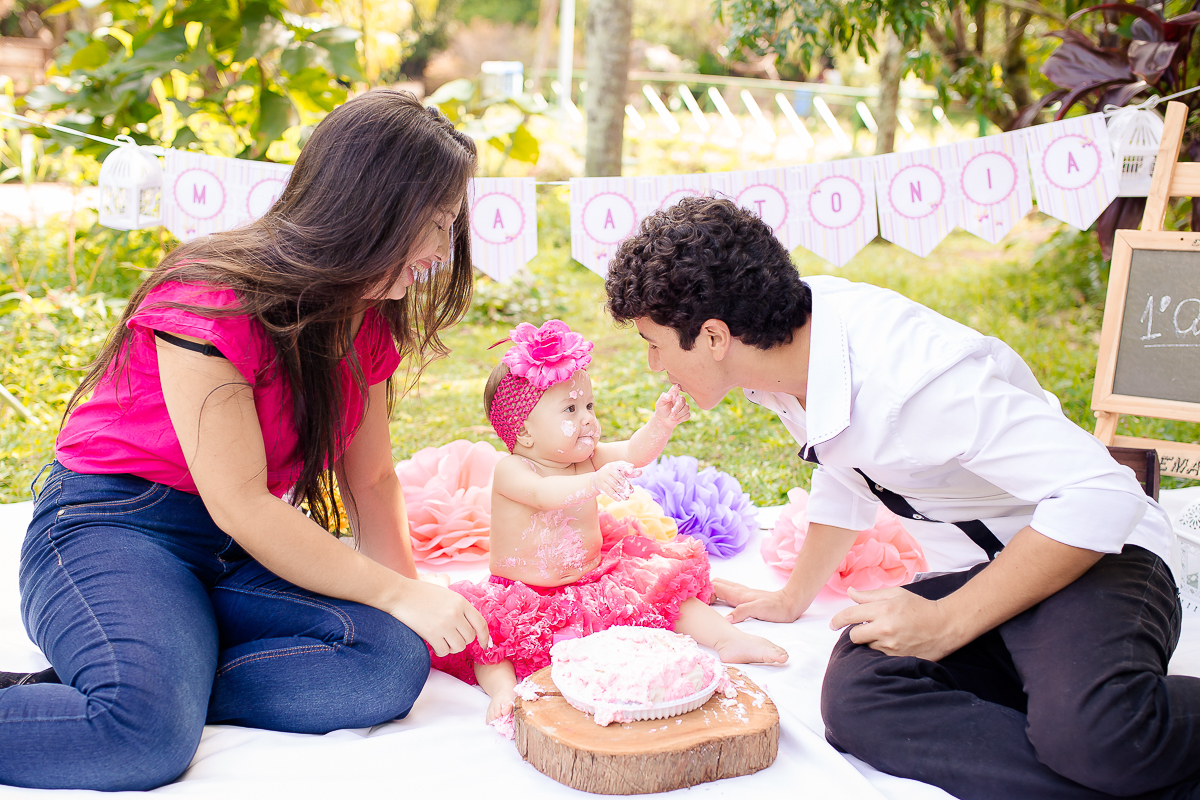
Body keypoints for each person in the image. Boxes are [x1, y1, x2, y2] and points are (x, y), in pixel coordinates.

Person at [604, 196, 1199, 799]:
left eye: (655, 344)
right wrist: (792, 596)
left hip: (1095, 557)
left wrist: (947, 621)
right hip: (981, 573)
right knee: (860, 698)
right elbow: (844, 463)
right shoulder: (783, 351)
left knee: (1096, 734)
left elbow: (1099, 493)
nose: (654, 365)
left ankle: (1098, 742)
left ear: (713, 336)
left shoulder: (918, 378)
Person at [0, 90, 491, 791]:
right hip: (116, 526)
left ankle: (150, 674)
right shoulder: (211, 294)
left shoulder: (366, 321)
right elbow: (239, 501)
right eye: (436, 225)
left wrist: (413, 606)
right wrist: (392, 592)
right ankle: (142, 691)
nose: (441, 253)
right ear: (371, 207)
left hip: (233, 551)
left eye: (451, 228)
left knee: (387, 663)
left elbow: (373, 482)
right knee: (141, 741)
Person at [430, 319, 787, 724]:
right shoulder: (514, 469)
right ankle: (503, 690)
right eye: (570, 409)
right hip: (525, 594)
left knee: (663, 597)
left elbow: (634, 453)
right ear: (525, 433)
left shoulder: (585, 455)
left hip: (593, 578)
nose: (587, 419)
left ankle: (729, 638)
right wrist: (595, 481)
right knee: (493, 640)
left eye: (589, 406)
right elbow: (547, 497)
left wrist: (660, 424)